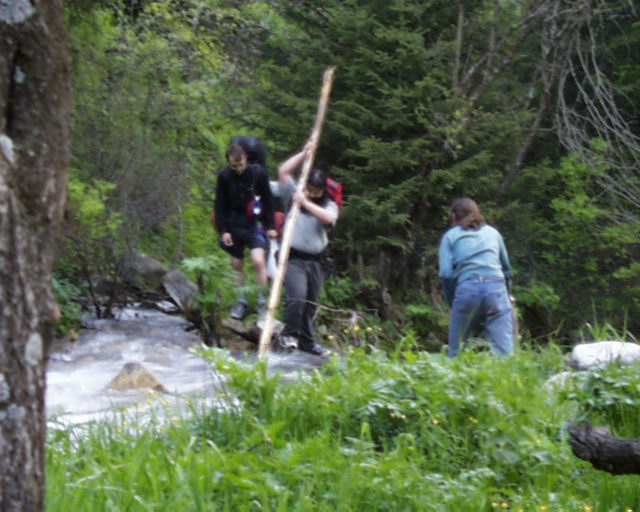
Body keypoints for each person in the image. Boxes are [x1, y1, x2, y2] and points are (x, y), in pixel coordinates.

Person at [277, 141, 339, 356]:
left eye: (316, 191)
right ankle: (289, 333)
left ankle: (307, 341)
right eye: (309, 190)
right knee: (297, 296)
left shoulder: (328, 205)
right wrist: (304, 154)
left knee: (311, 303)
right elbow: (283, 171)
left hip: (317, 261)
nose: (312, 194)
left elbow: (328, 218)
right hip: (294, 258)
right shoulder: (293, 195)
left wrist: (305, 202)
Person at [438, 197, 514, 358]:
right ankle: (506, 371)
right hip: (496, 289)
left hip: (468, 289)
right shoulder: (493, 233)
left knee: (457, 350)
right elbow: (506, 269)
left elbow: (446, 274)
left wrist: (453, 301)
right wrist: (507, 294)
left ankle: (454, 370)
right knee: (504, 352)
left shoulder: (450, 236)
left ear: (454, 217)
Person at [214, 143, 277, 320]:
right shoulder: (224, 176)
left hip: (254, 223)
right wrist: (224, 230)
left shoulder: (259, 173)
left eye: (240, 164)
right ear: (229, 163)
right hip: (233, 223)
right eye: (234, 166)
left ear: (245, 159)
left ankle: (262, 304)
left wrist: (270, 226)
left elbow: (268, 200)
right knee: (236, 263)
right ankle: (240, 302)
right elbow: (220, 204)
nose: (238, 169)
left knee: (258, 260)